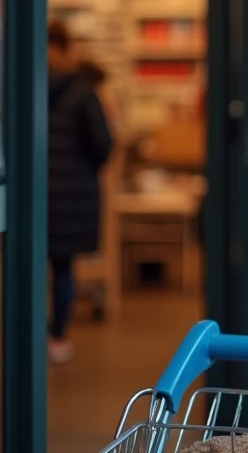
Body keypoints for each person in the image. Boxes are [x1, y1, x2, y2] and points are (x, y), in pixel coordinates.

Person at [47, 20, 113, 364]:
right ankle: (58, 336)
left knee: (25, 266)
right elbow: (102, 146)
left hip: (35, 196)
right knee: (62, 268)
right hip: (71, 197)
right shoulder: (83, 91)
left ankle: (30, 332)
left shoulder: (21, 85)